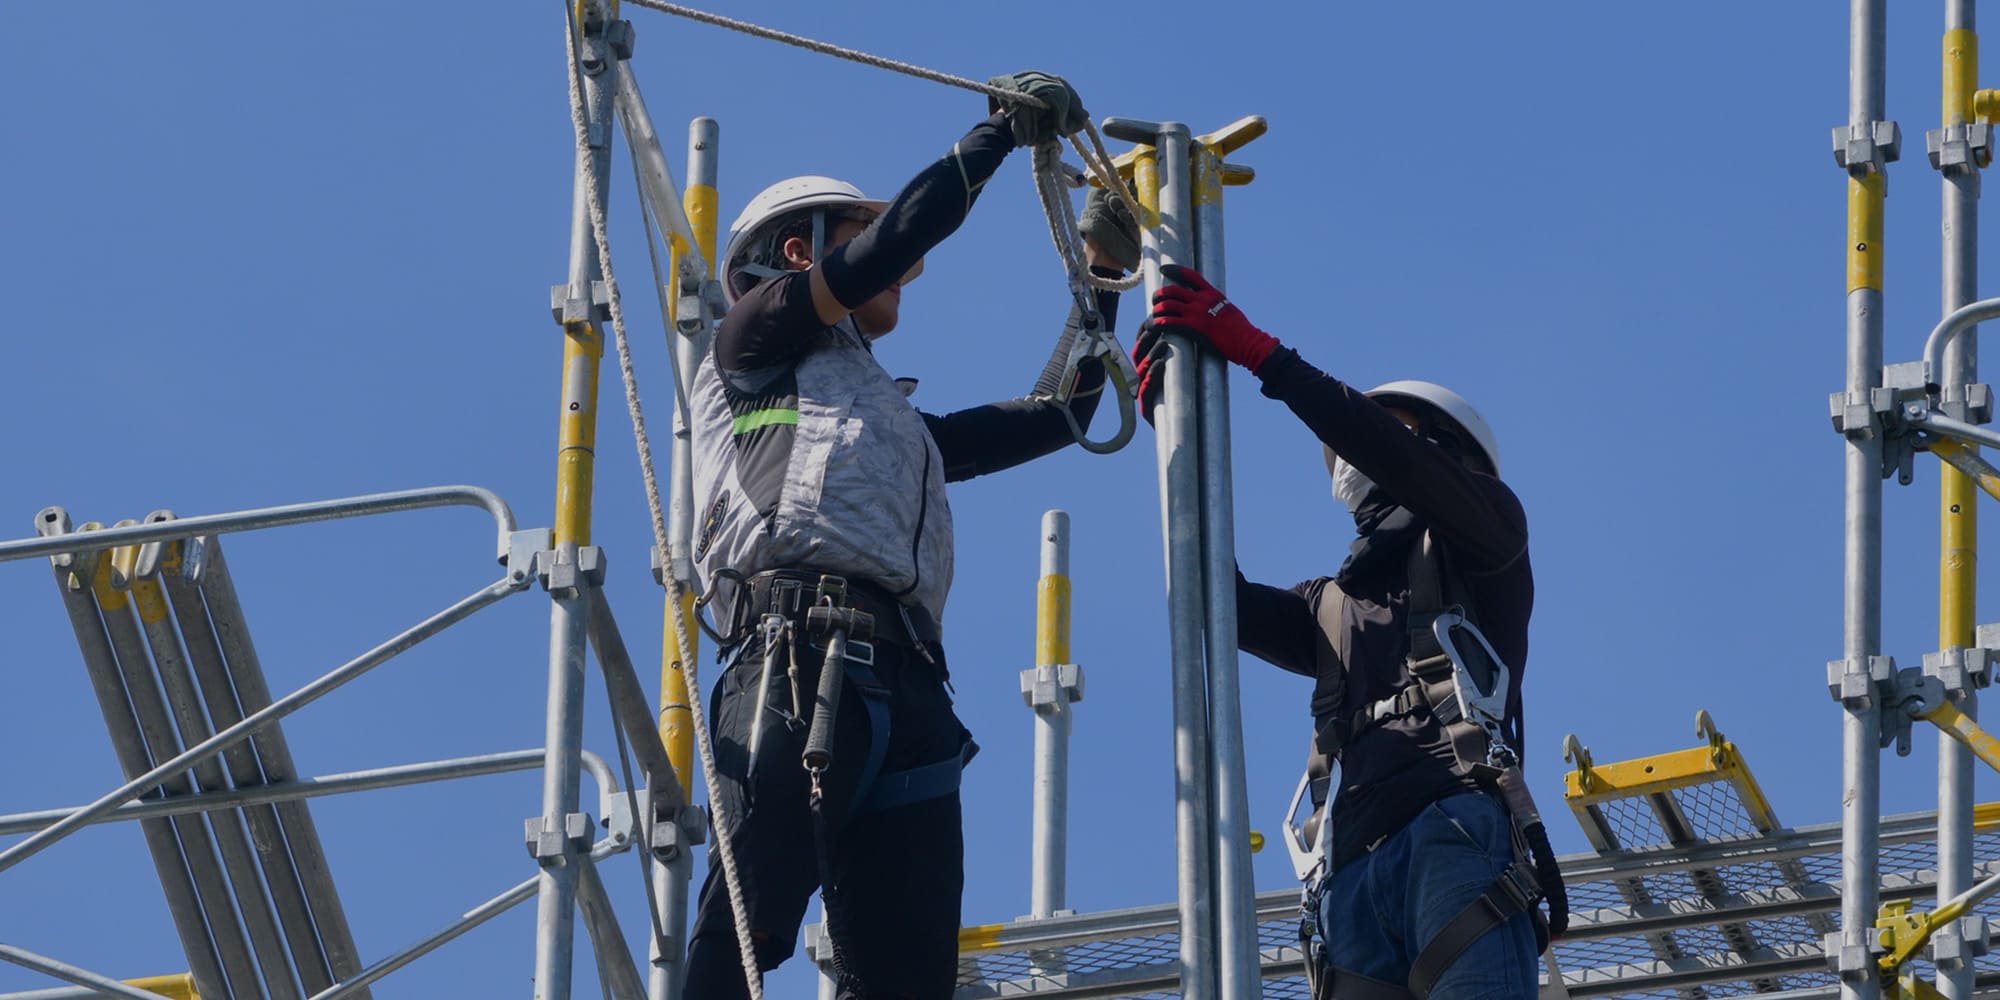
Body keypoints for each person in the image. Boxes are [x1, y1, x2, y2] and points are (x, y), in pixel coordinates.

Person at [683, 71, 1140, 1000]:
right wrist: (995, 138)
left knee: (904, 976)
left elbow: (1061, 413)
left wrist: (1102, 276)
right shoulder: (751, 347)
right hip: (794, 657)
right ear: (795, 250)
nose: (889, 270)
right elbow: (904, 236)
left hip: (903, 683)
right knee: (744, 929)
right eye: (852, 240)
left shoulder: (890, 428)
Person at [1136, 265, 1564, 1000]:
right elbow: (1211, 597)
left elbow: (1395, 458)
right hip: (1352, 872)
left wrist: (1262, 354)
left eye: (1376, 436)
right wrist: (1177, 440)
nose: (1347, 463)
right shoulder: (1330, 604)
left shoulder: (1484, 533)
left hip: (1455, 832)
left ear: (1443, 445)